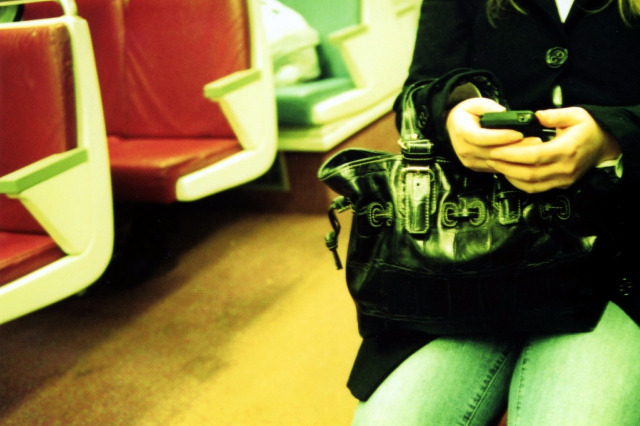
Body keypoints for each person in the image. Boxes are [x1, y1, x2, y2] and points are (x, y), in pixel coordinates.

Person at [349, 1, 640, 424]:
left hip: (618, 259)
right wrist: (452, 114)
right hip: (469, 253)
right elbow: (420, 89)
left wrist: (616, 137)